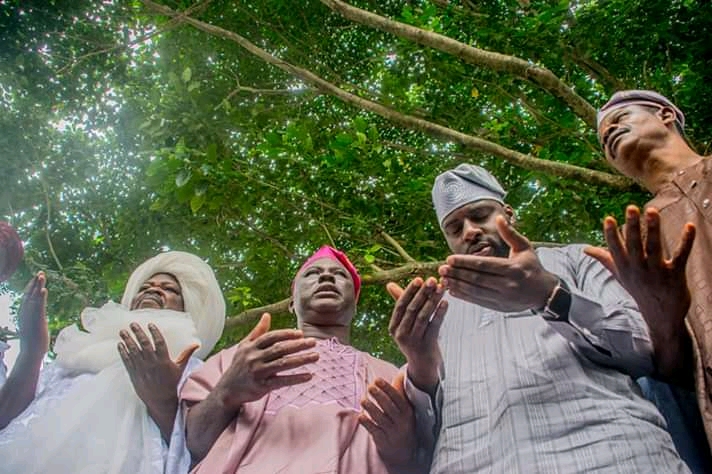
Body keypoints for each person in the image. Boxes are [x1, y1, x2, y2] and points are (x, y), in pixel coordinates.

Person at [391, 163, 688, 473]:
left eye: (479, 215)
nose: (469, 231)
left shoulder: (576, 260)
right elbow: (419, 440)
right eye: (454, 228)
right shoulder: (437, 307)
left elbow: (642, 351)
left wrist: (549, 296)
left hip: (613, 453)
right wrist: (420, 364)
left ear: (508, 213)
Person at [180, 246, 426, 473]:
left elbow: (415, 463)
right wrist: (227, 391)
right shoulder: (241, 358)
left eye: (340, 275)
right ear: (291, 303)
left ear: (355, 303)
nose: (327, 277)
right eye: (313, 273)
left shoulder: (390, 374)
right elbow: (193, 445)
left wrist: (402, 443)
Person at [0, 250, 226, 474]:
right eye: (145, 287)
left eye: (169, 289)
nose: (154, 289)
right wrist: (31, 352)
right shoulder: (80, 354)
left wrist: (163, 400)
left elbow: (205, 449)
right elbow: (6, 418)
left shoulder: (192, 370)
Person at [592, 90, 712, 469]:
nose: (609, 131)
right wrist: (662, 314)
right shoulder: (641, 241)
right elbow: (673, 370)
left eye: (620, 117)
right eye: (603, 141)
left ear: (664, 114)